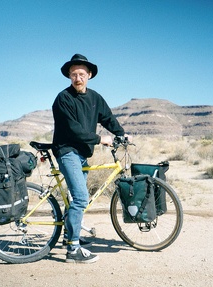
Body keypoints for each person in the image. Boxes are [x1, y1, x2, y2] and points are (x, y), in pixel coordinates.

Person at [52, 54, 128, 263]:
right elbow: (72, 130)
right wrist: (99, 139)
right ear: (69, 76)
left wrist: (121, 133)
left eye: (82, 74)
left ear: (89, 75)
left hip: (82, 153)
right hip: (67, 151)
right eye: (74, 74)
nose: (78, 78)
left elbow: (107, 118)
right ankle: (73, 250)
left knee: (76, 198)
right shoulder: (63, 98)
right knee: (81, 198)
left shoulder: (95, 98)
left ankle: (69, 235)